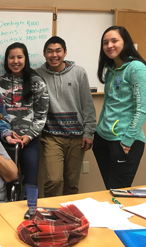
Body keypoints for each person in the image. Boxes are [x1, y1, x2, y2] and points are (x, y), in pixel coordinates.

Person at [36, 36, 96, 197]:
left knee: (72, 183)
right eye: (50, 51)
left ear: (65, 52)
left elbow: (87, 104)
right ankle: (49, 215)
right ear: (44, 53)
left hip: (77, 137)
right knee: (54, 180)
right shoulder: (37, 75)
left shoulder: (78, 72)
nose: (54, 55)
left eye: (58, 51)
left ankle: (68, 217)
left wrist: (89, 132)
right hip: (51, 137)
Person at [93, 26, 146, 189]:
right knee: (110, 190)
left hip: (124, 141)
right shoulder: (112, 69)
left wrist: (127, 141)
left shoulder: (137, 69)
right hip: (103, 139)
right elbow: (108, 104)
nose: (109, 45)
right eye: (105, 43)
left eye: (114, 41)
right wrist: (98, 131)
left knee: (118, 192)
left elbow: (142, 110)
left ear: (125, 43)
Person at [0, 43, 49, 187]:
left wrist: (29, 136)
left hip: (29, 141)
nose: (15, 61)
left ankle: (30, 209)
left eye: (19, 57)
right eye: (11, 57)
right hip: (4, 140)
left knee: (30, 183)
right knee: (3, 182)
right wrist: (6, 134)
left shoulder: (37, 82)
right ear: (6, 60)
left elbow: (42, 114)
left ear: (26, 59)